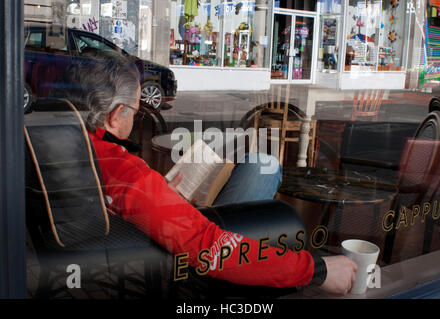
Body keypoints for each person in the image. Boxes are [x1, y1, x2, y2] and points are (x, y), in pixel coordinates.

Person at [65, 51, 357, 296]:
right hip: (196, 258)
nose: (136, 116)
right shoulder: (126, 174)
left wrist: (159, 196)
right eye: (136, 110)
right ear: (116, 116)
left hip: (142, 232)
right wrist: (318, 270)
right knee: (263, 168)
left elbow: (124, 201)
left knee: (259, 164)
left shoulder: (65, 145)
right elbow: (210, 247)